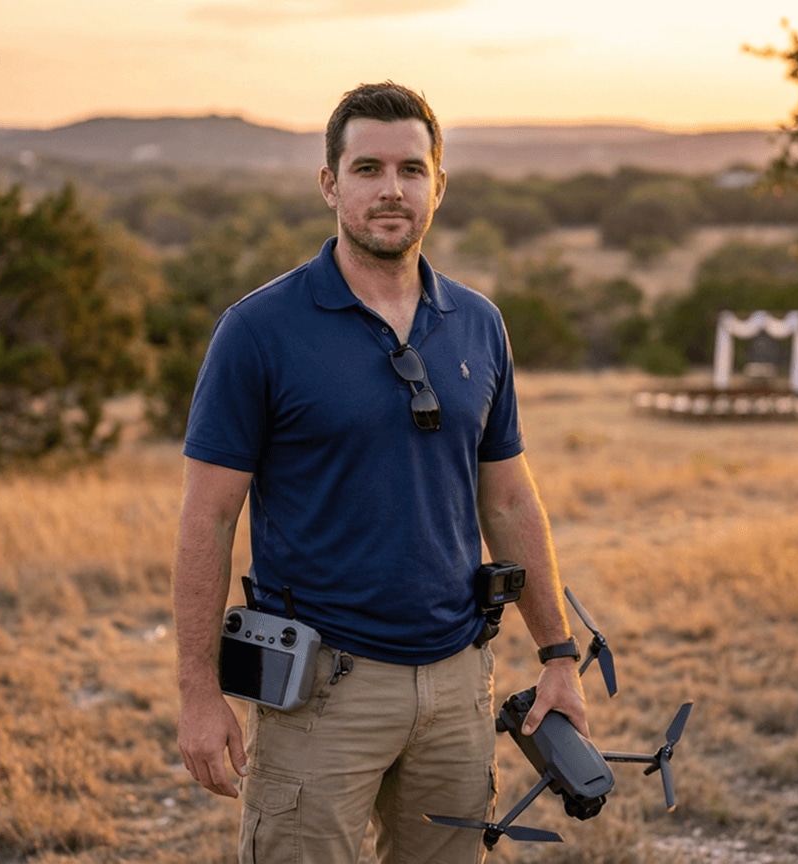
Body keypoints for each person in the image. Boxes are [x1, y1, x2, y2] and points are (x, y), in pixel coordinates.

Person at [173, 81, 588, 864]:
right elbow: (207, 517)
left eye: (410, 168)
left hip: (459, 682)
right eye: (367, 168)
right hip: (320, 691)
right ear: (330, 184)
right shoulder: (258, 330)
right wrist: (199, 694)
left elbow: (506, 497)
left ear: (438, 183)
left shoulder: (476, 321)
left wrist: (557, 654)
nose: (390, 189)